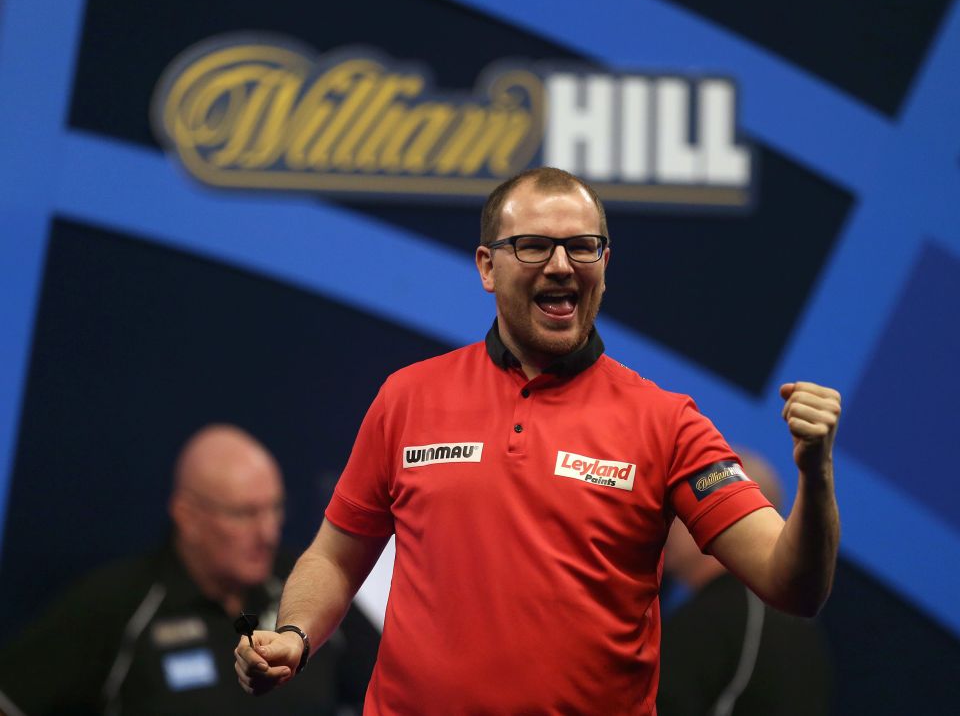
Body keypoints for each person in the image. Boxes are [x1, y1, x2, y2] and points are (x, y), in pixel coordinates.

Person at [235, 167, 842, 714]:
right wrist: (294, 634)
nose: (560, 265)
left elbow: (793, 585)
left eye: (583, 247)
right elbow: (336, 555)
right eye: (533, 246)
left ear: (605, 265)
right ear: (487, 266)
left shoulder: (666, 422)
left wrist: (815, 477)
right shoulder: (408, 397)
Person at [0, 424, 379, 716]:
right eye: (244, 514)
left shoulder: (307, 586)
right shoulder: (121, 603)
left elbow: (390, 687)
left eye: (274, 508)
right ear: (188, 517)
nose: (268, 531)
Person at [658, 449, 834, 715]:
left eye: (684, 504)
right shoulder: (801, 629)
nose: (669, 520)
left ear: (728, 518)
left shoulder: (715, 620)